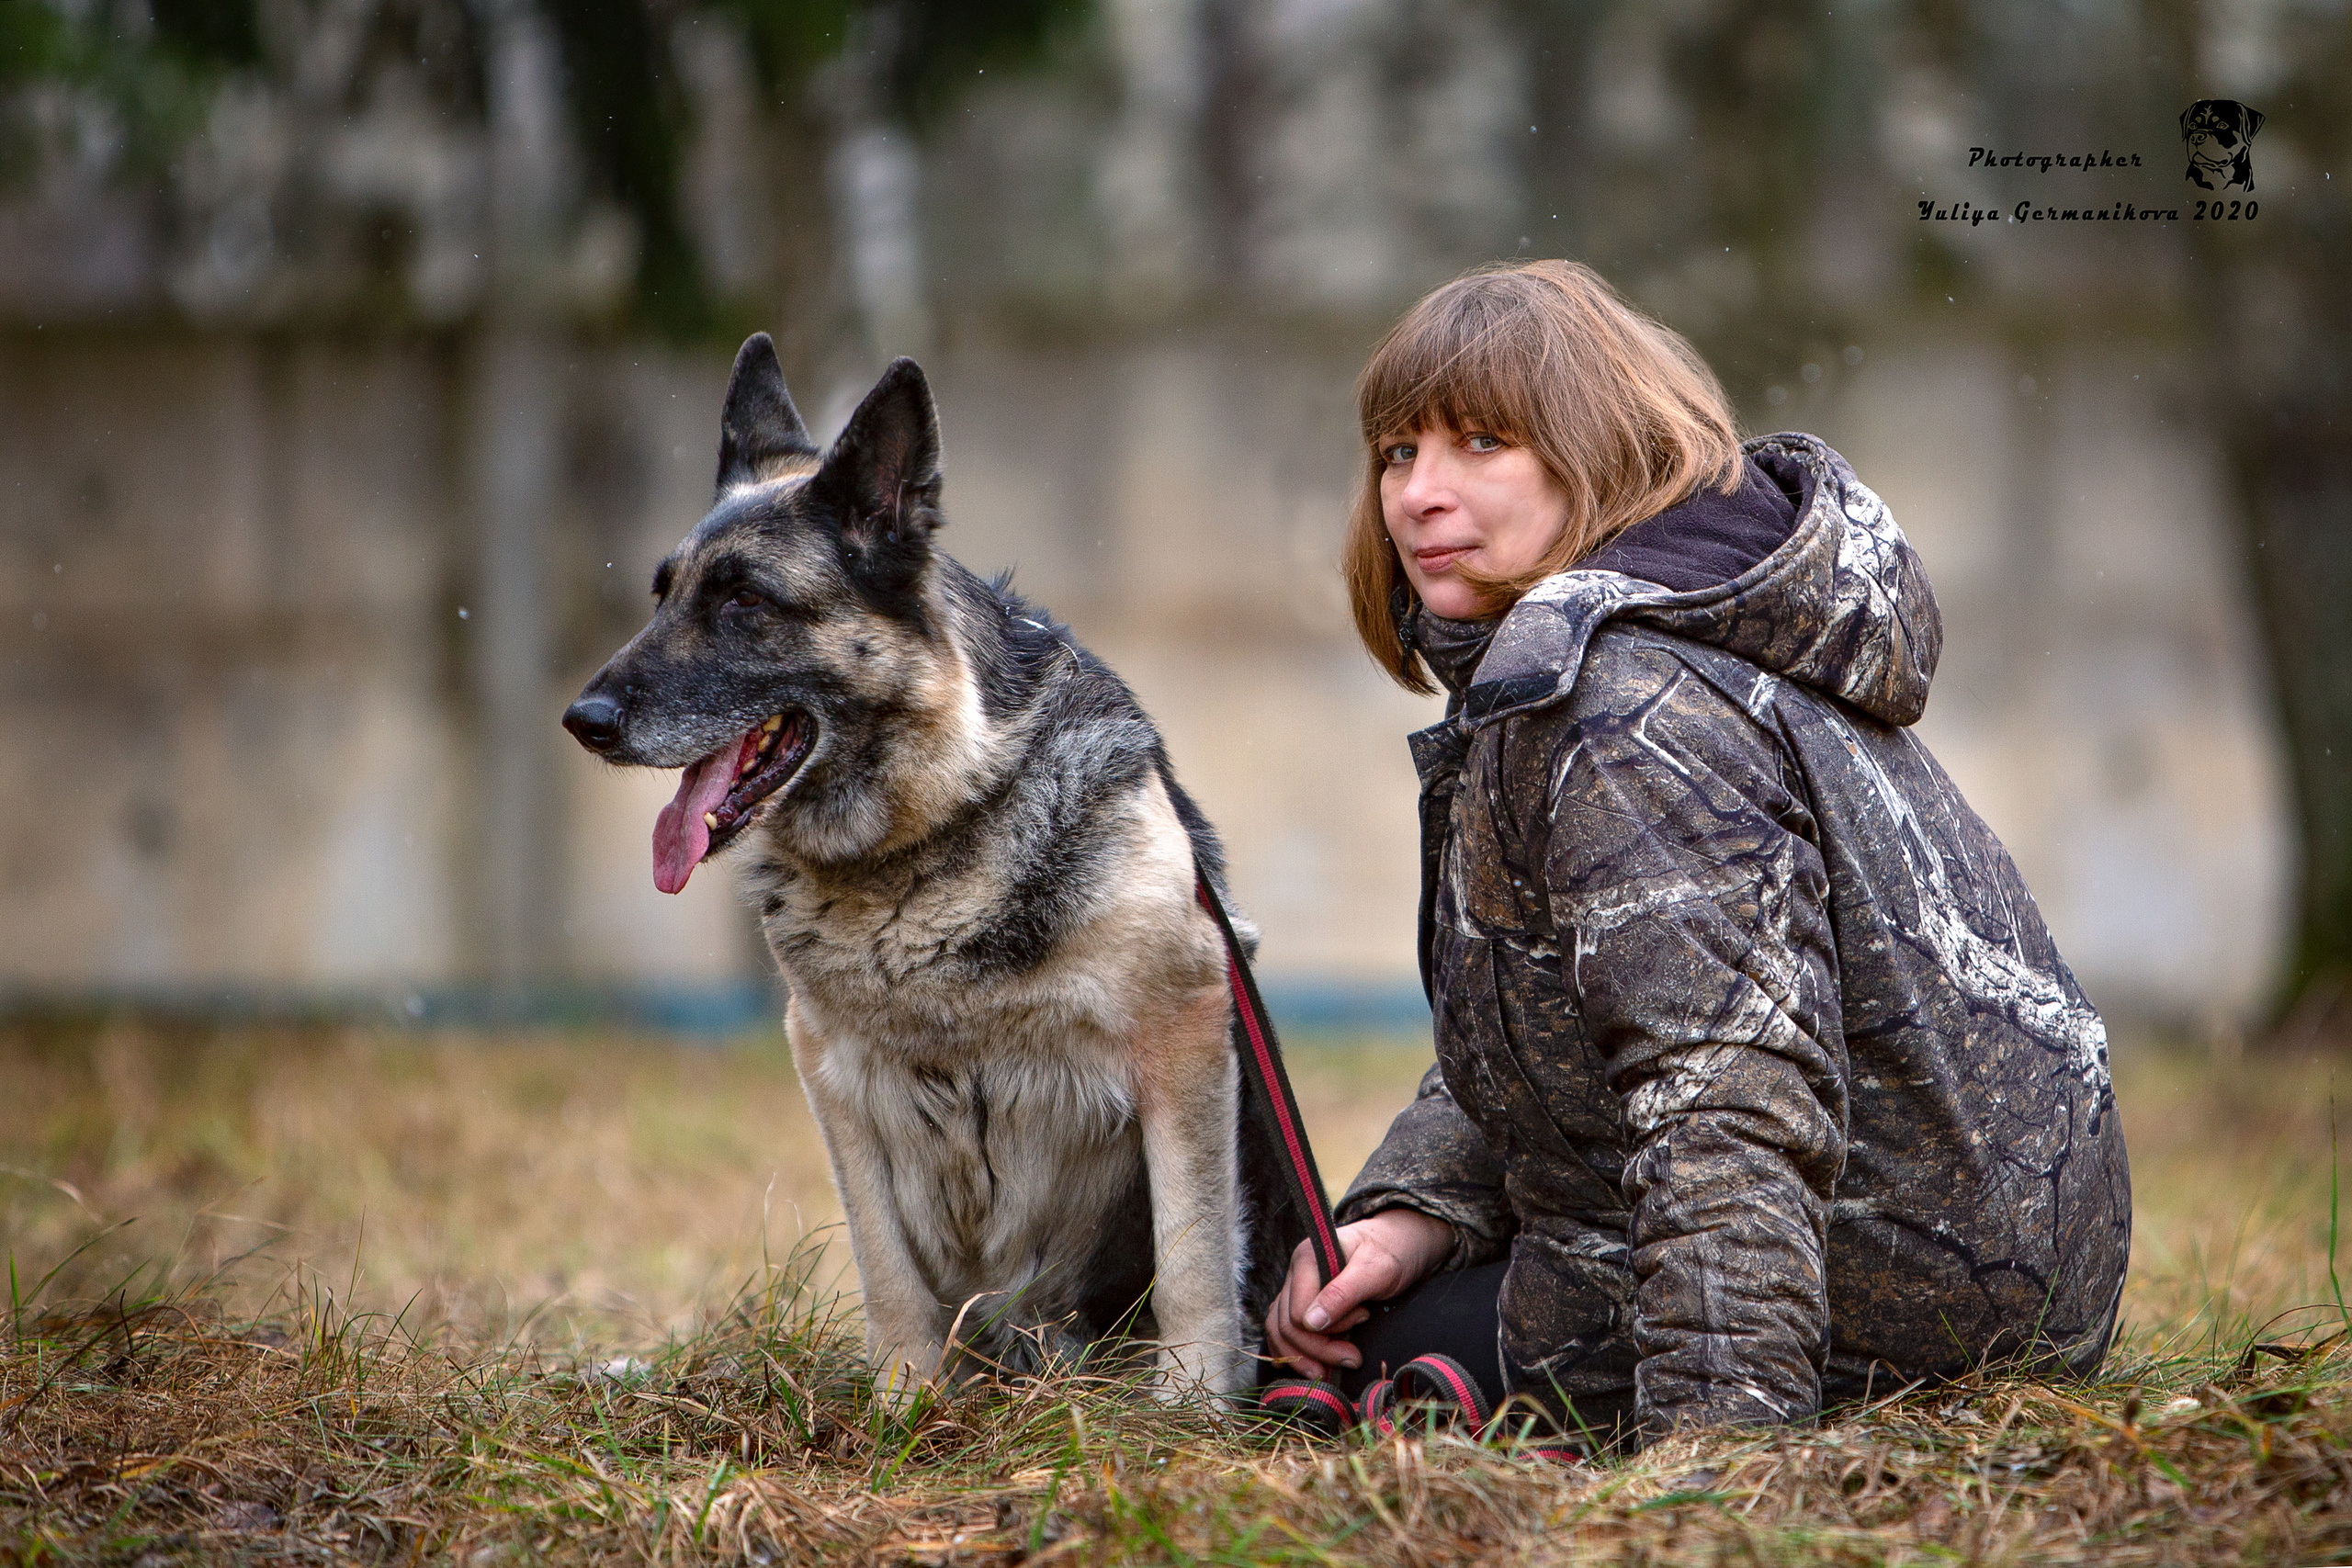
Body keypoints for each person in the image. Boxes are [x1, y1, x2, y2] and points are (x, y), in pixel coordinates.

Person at [1262, 259, 2132, 1451]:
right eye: (1399, 451)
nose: (1419, 493)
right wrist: (1414, 1215)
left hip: (1910, 1293)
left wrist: (1715, 1459)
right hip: (1996, 1250)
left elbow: (1726, 1097)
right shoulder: (1636, 649)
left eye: (1481, 443)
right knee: (1361, 1309)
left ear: (1603, 452)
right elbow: (1556, 1024)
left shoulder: (1626, 704)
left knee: (1352, 1373)